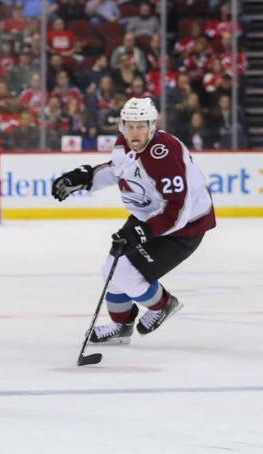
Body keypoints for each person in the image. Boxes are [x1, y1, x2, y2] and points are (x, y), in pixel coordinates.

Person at [51, 97, 215, 344]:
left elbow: (178, 210)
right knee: (112, 269)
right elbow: (118, 170)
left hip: (185, 227)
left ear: (152, 126)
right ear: (122, 126)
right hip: (148, 217)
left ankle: (163, 305)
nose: (134, 132)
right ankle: (121, 327)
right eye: (130, 125)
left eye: (141, 126)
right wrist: (85, 179)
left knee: (126, 273)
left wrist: (143, 231)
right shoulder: (123, 145)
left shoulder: (165, 155)